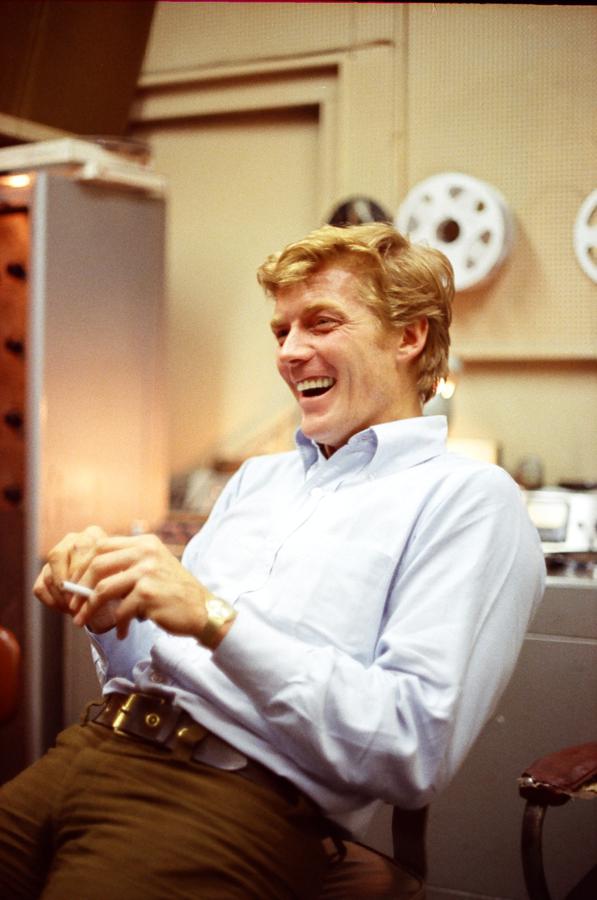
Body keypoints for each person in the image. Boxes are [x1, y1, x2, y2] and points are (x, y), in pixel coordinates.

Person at [0, 223, 545, 900]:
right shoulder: (260, 481)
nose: (289, 352)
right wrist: (110, 609)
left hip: (226, 801)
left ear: (409, 337)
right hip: (89, 750)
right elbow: (163, 663)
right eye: (281, 331)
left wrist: (214, 619)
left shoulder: (468, 499)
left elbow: (411, 749)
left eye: (321, 323)